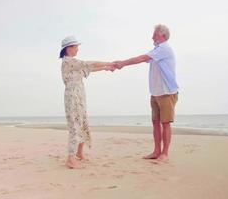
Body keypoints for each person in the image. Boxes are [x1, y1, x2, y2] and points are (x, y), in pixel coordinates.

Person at [114, 24, 179, 161]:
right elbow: (143, 59)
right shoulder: (157, 50)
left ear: (163, 35)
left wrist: (122, 63)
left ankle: (164, 154)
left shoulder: (164, 48)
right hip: (155, 93)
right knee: (155, 122)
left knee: (165, 123)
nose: (152, 37)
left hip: (167, 92)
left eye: (155, 34)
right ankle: (156, 151)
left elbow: (141, 58)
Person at [60, 36, 115, 169]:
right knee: (74, 125)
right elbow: (88, 63)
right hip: (72, 96)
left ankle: (79, 152)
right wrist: (109, 62)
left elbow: (88, 69)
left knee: (82, 122)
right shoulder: (68, 62)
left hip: (79, 95)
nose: (78, 49)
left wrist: (107, 67)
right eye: (76, 47)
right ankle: (70, 158)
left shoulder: (74, 63)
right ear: (69, 48)